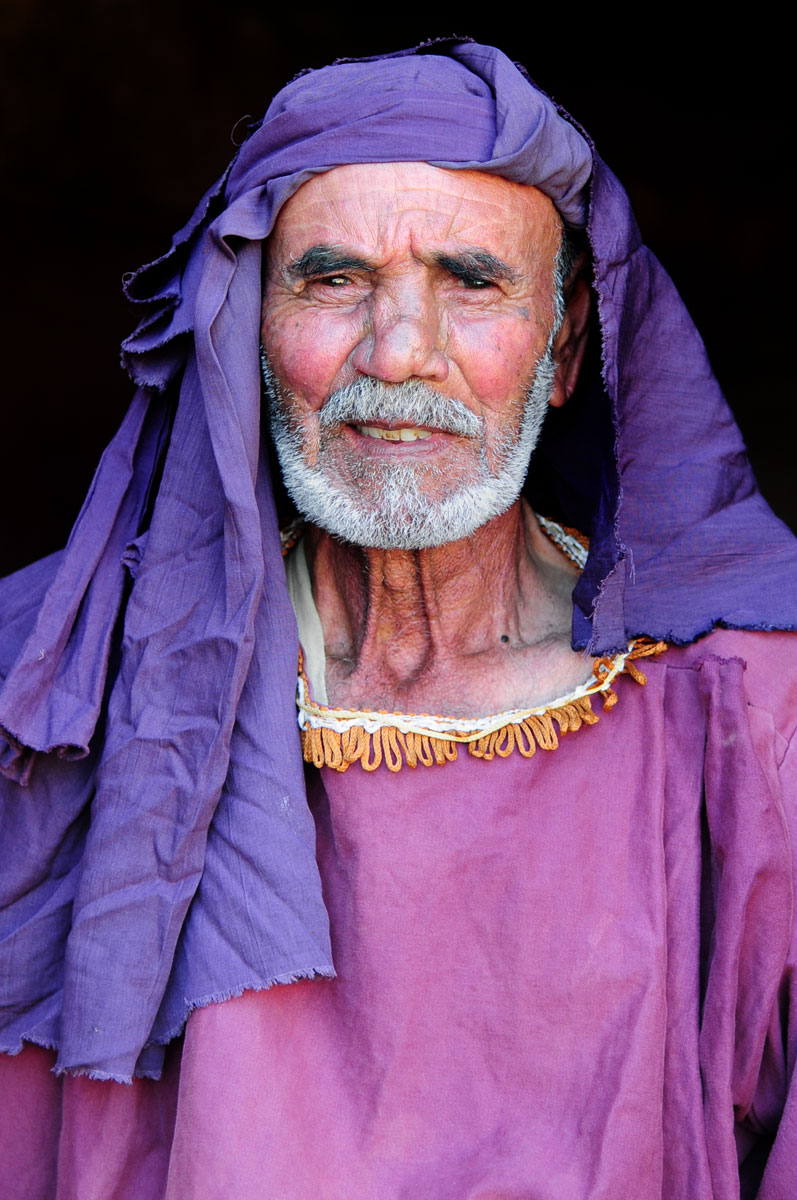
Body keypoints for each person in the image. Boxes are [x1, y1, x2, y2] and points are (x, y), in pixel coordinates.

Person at [1, 38, 796, 1200]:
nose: (398, 353)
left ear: (563, 347)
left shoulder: (748, 709)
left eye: (471, 282)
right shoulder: (55, 684)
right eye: (333, 280)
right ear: (245, 332)